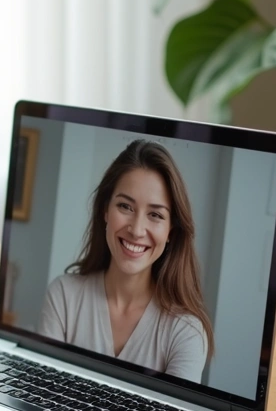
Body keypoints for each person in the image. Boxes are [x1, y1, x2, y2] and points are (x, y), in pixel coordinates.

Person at [37, 140, 213, 382]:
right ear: (105, 210)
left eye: (155, 214)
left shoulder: (186, 331)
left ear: (170, 231)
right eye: (125, 206)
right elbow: (43, 390)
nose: (137, 230)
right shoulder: (63, 296)